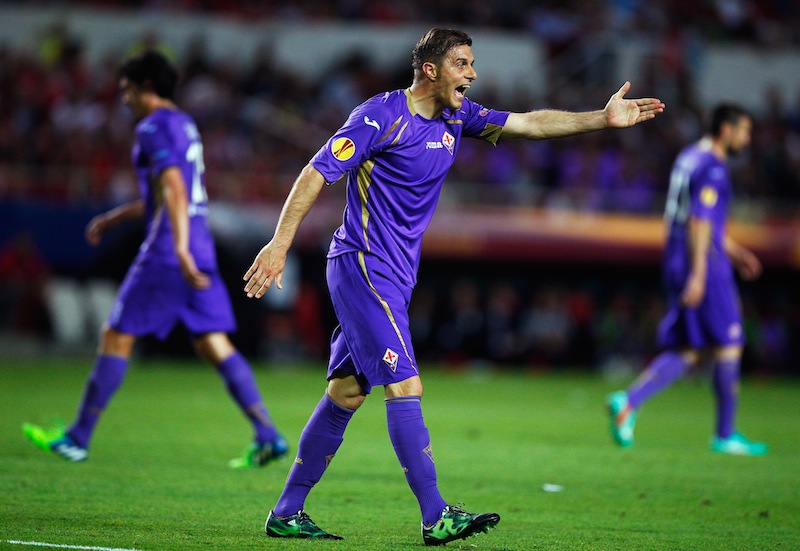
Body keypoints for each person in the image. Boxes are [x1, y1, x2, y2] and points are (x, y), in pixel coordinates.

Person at [243, 28, 664, 545]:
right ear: (431, 70)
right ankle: (436, 515)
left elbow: (528, 123)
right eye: (463, 64)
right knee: (406, 385)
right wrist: (280, 244)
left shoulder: (457, 117)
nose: (473, 74)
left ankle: (286, 513)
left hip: (396, 275)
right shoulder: (379, 117)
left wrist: (600, 118)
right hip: (364, 265)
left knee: (347, 392)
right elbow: (316, 172)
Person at [22, 51, 287, 469]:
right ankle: (268, 434)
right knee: (213, 341)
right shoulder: (184, 124)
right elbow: (172, 194)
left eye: (127, 89)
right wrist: (115, 218)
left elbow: (175, 189)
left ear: (145, 86)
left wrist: (177, 250)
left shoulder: (152, 127)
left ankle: (77, 437)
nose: (124, 98)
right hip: (201, 242)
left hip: (168, 250)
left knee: (116, 336)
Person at [606, 103, 767, 456]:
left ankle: (628, 401)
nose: (747, 140)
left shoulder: (689, 157)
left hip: (678, 257)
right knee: (729, 343)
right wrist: (699, 273)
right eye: (744, 131)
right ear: (726, 130)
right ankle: (725, 434)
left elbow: (697, 221)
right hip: (703, 262)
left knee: (689, 349)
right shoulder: (714, 167)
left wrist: (735, 251)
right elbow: (698, 221)